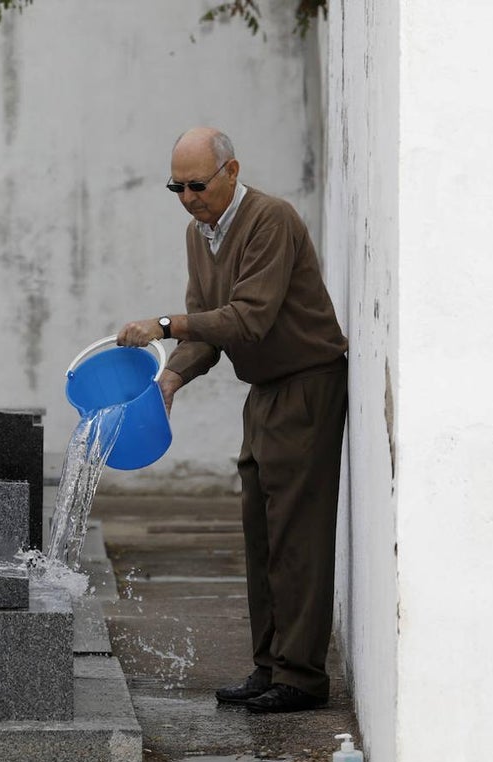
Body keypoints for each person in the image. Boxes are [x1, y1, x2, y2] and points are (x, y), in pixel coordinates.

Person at [116, 127, 348, 714]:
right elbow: (207, 326)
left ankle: (301, 678)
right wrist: (170, 379)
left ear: (232, 171)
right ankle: (269, 666)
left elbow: (247, 320)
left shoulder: (273, 219)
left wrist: (164, 327)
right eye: (177, 187)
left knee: (298, 536)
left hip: (307, 382)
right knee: (261, 533)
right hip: (264, 390)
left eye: (197, 184)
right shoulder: (201, 234)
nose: (189, 197)